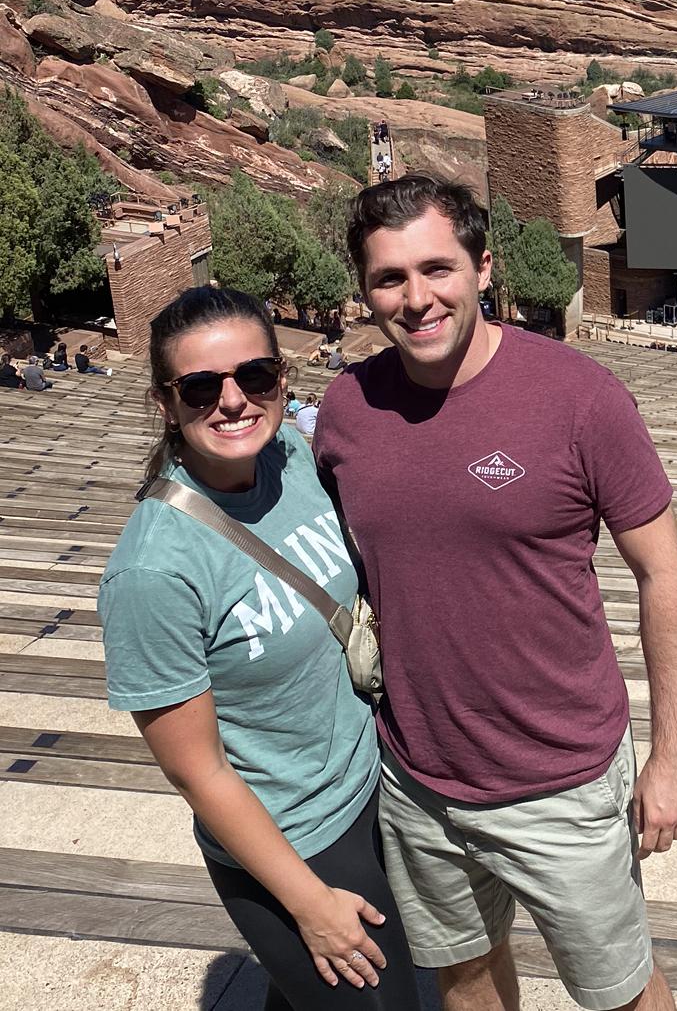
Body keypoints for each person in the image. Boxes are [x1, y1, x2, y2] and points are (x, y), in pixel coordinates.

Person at [315, 176, 677, 1011]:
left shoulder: (579, 397)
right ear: (365, 290)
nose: (417, 299)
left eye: (438, 269)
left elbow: (662, 571)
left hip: (560, 778)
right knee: (464, 975)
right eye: (390, 278)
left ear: (484, 269)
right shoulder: (347, 409)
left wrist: (672, 756)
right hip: (417, 779)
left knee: (621, 991)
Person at [97, 286, 420, 1010]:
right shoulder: (154, 571)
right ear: (163, 404)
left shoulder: (293, 460)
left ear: (281, 380)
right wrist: (309, 904)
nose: (233, 400)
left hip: (370, 788)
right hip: (294, 841)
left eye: (255, 377)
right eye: (201, 386)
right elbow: (199, 773)